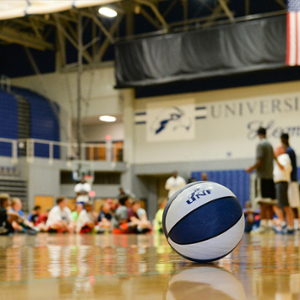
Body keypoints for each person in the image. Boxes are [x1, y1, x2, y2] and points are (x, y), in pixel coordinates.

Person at [246, 127, 276, 234]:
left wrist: (250, 168)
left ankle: (263, 225)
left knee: (262, 201)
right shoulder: (270, 145)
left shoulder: (260, 145)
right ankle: (270, 226)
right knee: (270, 203)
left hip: (262, 177)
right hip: (270, 177)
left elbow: (260, 161)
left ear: (259, 134)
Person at [273, 145, 294, 234]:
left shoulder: (284, 157)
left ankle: (287, 225)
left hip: (282, 183)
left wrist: (275, 158)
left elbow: (282, 167)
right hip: (280, 183)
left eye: (277, 148)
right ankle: (286, 224)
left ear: (283, 149)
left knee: (285, 205)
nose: (276, 150)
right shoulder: (282, 157)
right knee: (281, 205)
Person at [281, 133, 300, 230]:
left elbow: (289, 168)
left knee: (293, 203)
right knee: (292, 203)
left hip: (291, 180)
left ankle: (296, 224)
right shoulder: (290, 150)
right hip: (291, 180)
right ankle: (295, 224)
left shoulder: (289, 151)